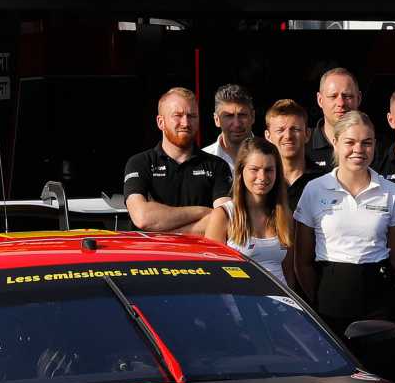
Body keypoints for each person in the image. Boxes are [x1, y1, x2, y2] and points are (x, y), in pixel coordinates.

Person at [292, 111, 395, 337]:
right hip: (330, 294)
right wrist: (319, 297)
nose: (359, 150)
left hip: (378, 295)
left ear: (375, 145)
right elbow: (302, 261)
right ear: (335, 142)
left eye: (366, 143)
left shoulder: (392, 192)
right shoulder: (314, 189)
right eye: (350, 142)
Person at [198, 137, 303, 293]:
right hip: (241, 306)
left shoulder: (285, 215)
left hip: (281, 308)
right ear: (240, 171)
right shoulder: (224, 215)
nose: (262, 177)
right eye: (255, 169)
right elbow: (212, 273)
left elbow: (288, 271)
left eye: (269, 170)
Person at [123, 87, 232, 232]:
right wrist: (202, 212)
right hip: (150, 254)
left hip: (200, 254)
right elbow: (142, 217)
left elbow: (225, 222)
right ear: (160, 122)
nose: (186, 123)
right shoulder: (140, 163)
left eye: (192, 116)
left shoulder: (217, 166)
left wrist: (164, 232)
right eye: (177, 115)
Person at [303, 67, 363, 182]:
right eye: (333, 96)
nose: (341, 103)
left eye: (347, 96)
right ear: (320, 100)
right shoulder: (302, 146)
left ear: (359, 98)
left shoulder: (375, 149)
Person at [203, 83, 254, 172]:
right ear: (216, 120)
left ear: (253, 116)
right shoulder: (202, 161)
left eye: (242, 115)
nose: (237, 124)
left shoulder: (272, 155)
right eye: (229, 116)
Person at [262, 97, 310, 191]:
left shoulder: (323, 179)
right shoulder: (260, 180)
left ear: (307, 134)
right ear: (268, 136)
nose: (288, 136)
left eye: (295, 129)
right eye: (280, 130)